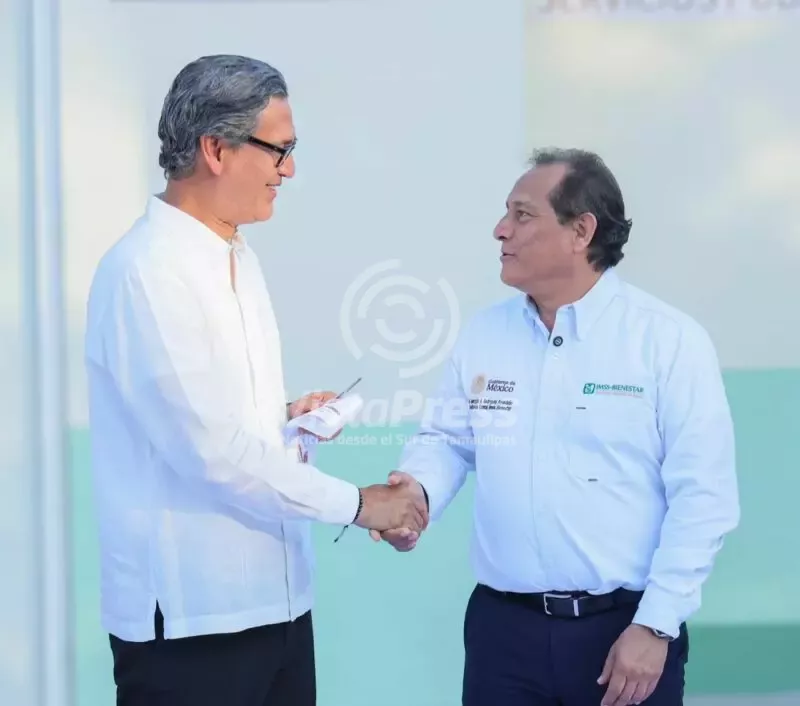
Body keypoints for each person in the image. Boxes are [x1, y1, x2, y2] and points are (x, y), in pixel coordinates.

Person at [84, 54, 427, 706]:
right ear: (216, 149)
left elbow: (214, 422)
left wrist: (284, 416)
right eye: (279, 149)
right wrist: (361, 504)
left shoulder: (235, 254)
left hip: (280, 605)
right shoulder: (147, 272)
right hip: (195, 624)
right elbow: (212, 454)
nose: (288, 170)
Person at [371, 148, 740, 706]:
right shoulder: (484, 335)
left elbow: (704, 497)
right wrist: (414, 498)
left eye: (522, 215)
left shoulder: (667, 341)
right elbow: (447, 442)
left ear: (581, 231)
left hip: (625, 633)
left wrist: (657, 623)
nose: (500, 230)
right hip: (503, 634)